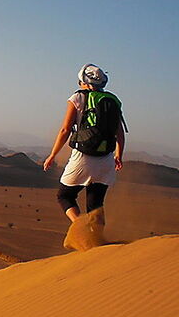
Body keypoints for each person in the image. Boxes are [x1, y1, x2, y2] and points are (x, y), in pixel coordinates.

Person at [43, 63, 126, 226]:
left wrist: (53, 155)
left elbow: (65, 129)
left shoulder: (78, 98)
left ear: (85, 82)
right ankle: (97, 241)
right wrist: (118, 156)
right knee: (95, 205)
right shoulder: (113, 101)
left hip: (83, 157)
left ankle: (80, 227)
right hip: (106, 160)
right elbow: (120, 134)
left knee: (65, 196)